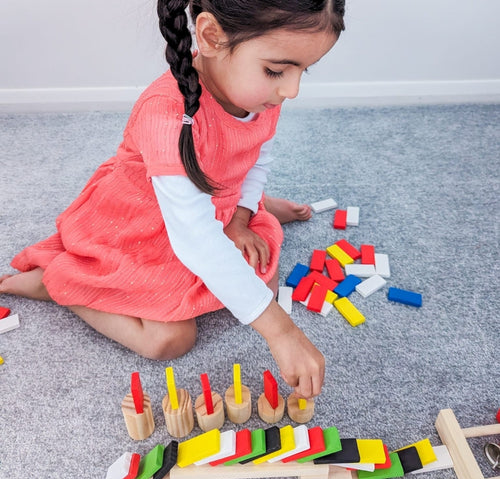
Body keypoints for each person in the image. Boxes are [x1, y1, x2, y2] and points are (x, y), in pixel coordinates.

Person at [0, 0, 345, 398]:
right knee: (170, 339)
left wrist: (240, 217)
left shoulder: (262, 95)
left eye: (304, 69)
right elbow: (195, 237)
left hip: (207, 203)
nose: (292, 90)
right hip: (148, 221)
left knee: (258, 282)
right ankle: (59, 280)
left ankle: (250, 204)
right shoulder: (167, 115)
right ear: (212, 36)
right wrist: (281, 330)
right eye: (277, 70)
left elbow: (255, 155)